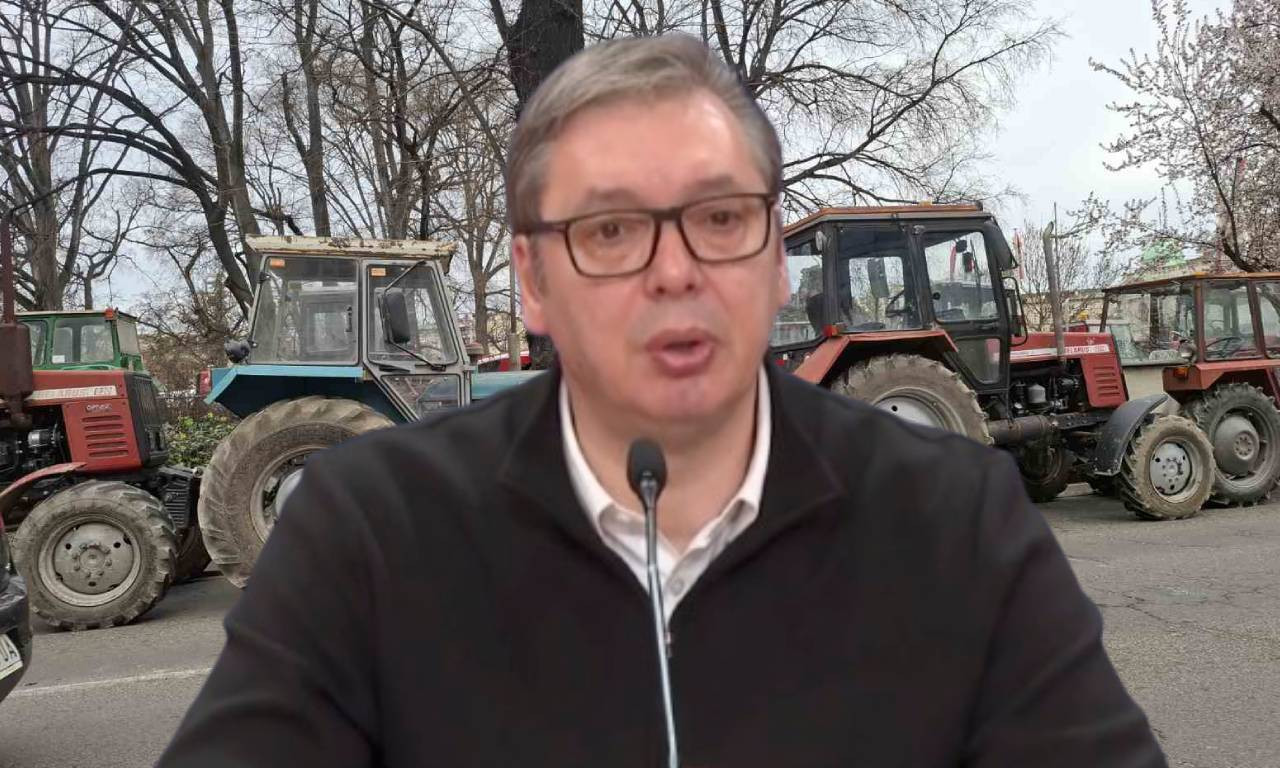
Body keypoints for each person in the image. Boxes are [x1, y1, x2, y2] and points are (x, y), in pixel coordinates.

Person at [158, 34, 1167, 767]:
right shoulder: (366, 533)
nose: (675, 271)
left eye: (720, 217)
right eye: (609, 231)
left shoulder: (958, 521)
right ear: (533, 282)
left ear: (773, 259)